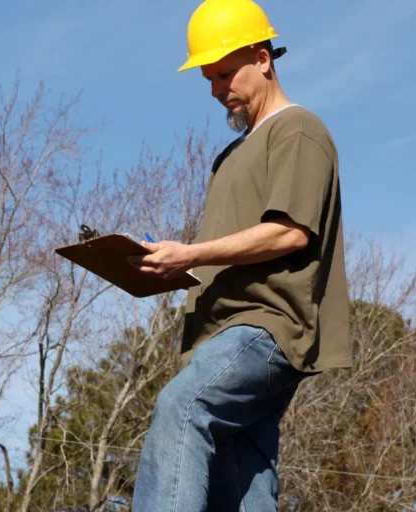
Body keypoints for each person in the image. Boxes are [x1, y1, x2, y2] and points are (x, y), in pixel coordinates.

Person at [126, 0, 352, 510]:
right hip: (219, 333)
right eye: (208, 78)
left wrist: (191, 252)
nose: (215, 89)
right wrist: (167, 266)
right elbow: (230, 253)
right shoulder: (230, 156)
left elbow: (290, 232)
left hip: (267, 326)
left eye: (226, 73)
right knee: (242, 485)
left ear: (263, 58)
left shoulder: (298, 129)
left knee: (183, 408)